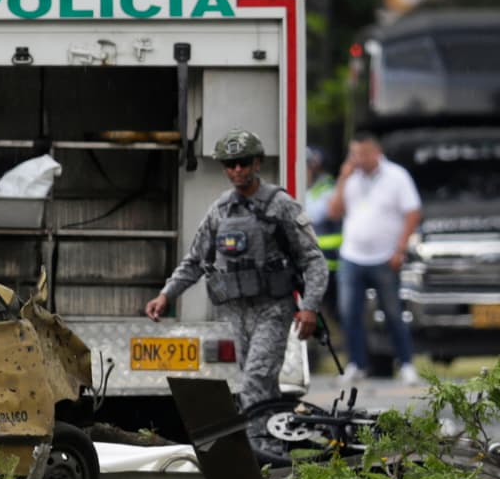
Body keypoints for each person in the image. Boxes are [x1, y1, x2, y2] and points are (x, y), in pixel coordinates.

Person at [144, 129, 329, 411]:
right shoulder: (220, 211)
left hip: (272, 309)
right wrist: (166, 295)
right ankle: (269, 446)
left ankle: (257, 445)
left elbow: (313, 260)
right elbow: (195, 261)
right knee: (251, 384)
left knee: (255, 379)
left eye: (244, 162)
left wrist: (310, 307)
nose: (238, 169)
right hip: (233, 312)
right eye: (231, 164)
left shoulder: (280, 205)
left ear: (257, 163)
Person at [326, 130, 422, 384]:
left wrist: (400, 249)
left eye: (364, 153)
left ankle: (406, 363)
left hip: (385, 256)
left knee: (392, 313)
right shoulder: (350, 178)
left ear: (377, 151)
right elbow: (334, 212)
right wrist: (343, 179)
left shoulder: (396, 176)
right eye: (355, 153)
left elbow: (412, 212)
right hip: (352, 256)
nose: (360, 158)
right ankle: (356, 364)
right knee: (349, 313)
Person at [304, 145, 342, 317]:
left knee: (332, 311)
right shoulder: (306, 189)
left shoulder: (328, 188)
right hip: (310, 262)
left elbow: (314, 215)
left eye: (307, 167)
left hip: (330, 261)